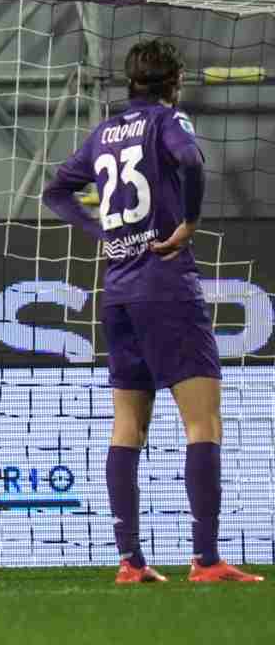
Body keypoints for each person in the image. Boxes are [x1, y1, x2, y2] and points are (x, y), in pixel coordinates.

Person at [43, 39, 262, 583]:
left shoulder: (102, 134)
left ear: (129, 83)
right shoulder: (169, 120)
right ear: (174, 82)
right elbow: (188, 159)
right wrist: (187, 222)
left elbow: (55, 191)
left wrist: (103, 231)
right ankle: (207, 560)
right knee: (203, 421)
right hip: (165, 284)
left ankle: (129, 560)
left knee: (126, 427)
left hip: (116, 291)